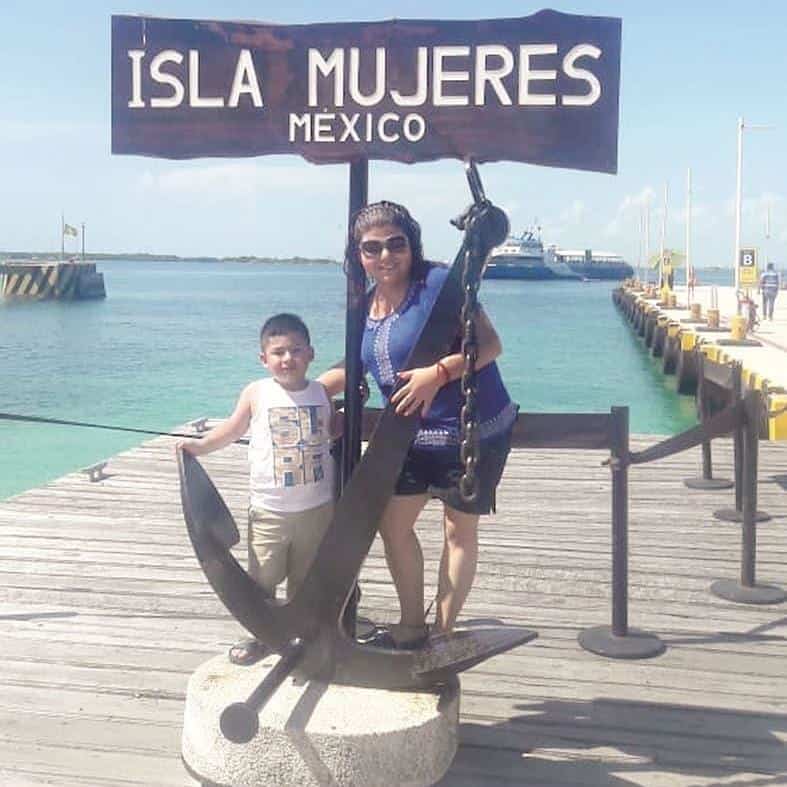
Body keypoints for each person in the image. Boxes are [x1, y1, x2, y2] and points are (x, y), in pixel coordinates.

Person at [319, 201, 517, 649]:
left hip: (471, 432)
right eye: (372, 248)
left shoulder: (440, 285)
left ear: (412, 245)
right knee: (393, 525)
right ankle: (411, 626)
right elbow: (355, 366)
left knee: (458, 531)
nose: (385, 256)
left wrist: (438, 374)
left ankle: (442, 633)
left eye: (396, 244)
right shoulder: (364, 307)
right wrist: (300, 392)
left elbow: (490, 345)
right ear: (358, 255)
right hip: (407, 437)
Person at [179, 313, 336, 664]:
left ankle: (303, 632)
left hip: (317, 508)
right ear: (263, 359)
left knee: (306, 578)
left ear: (311, 354)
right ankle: (261, 634)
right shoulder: (257, 392)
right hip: (270, 510)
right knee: (263, 578)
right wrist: (199, 447)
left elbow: (333, 432)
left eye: (296, 350)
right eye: (278, 352)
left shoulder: (320, 392)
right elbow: (233, 429)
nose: (287, 359)